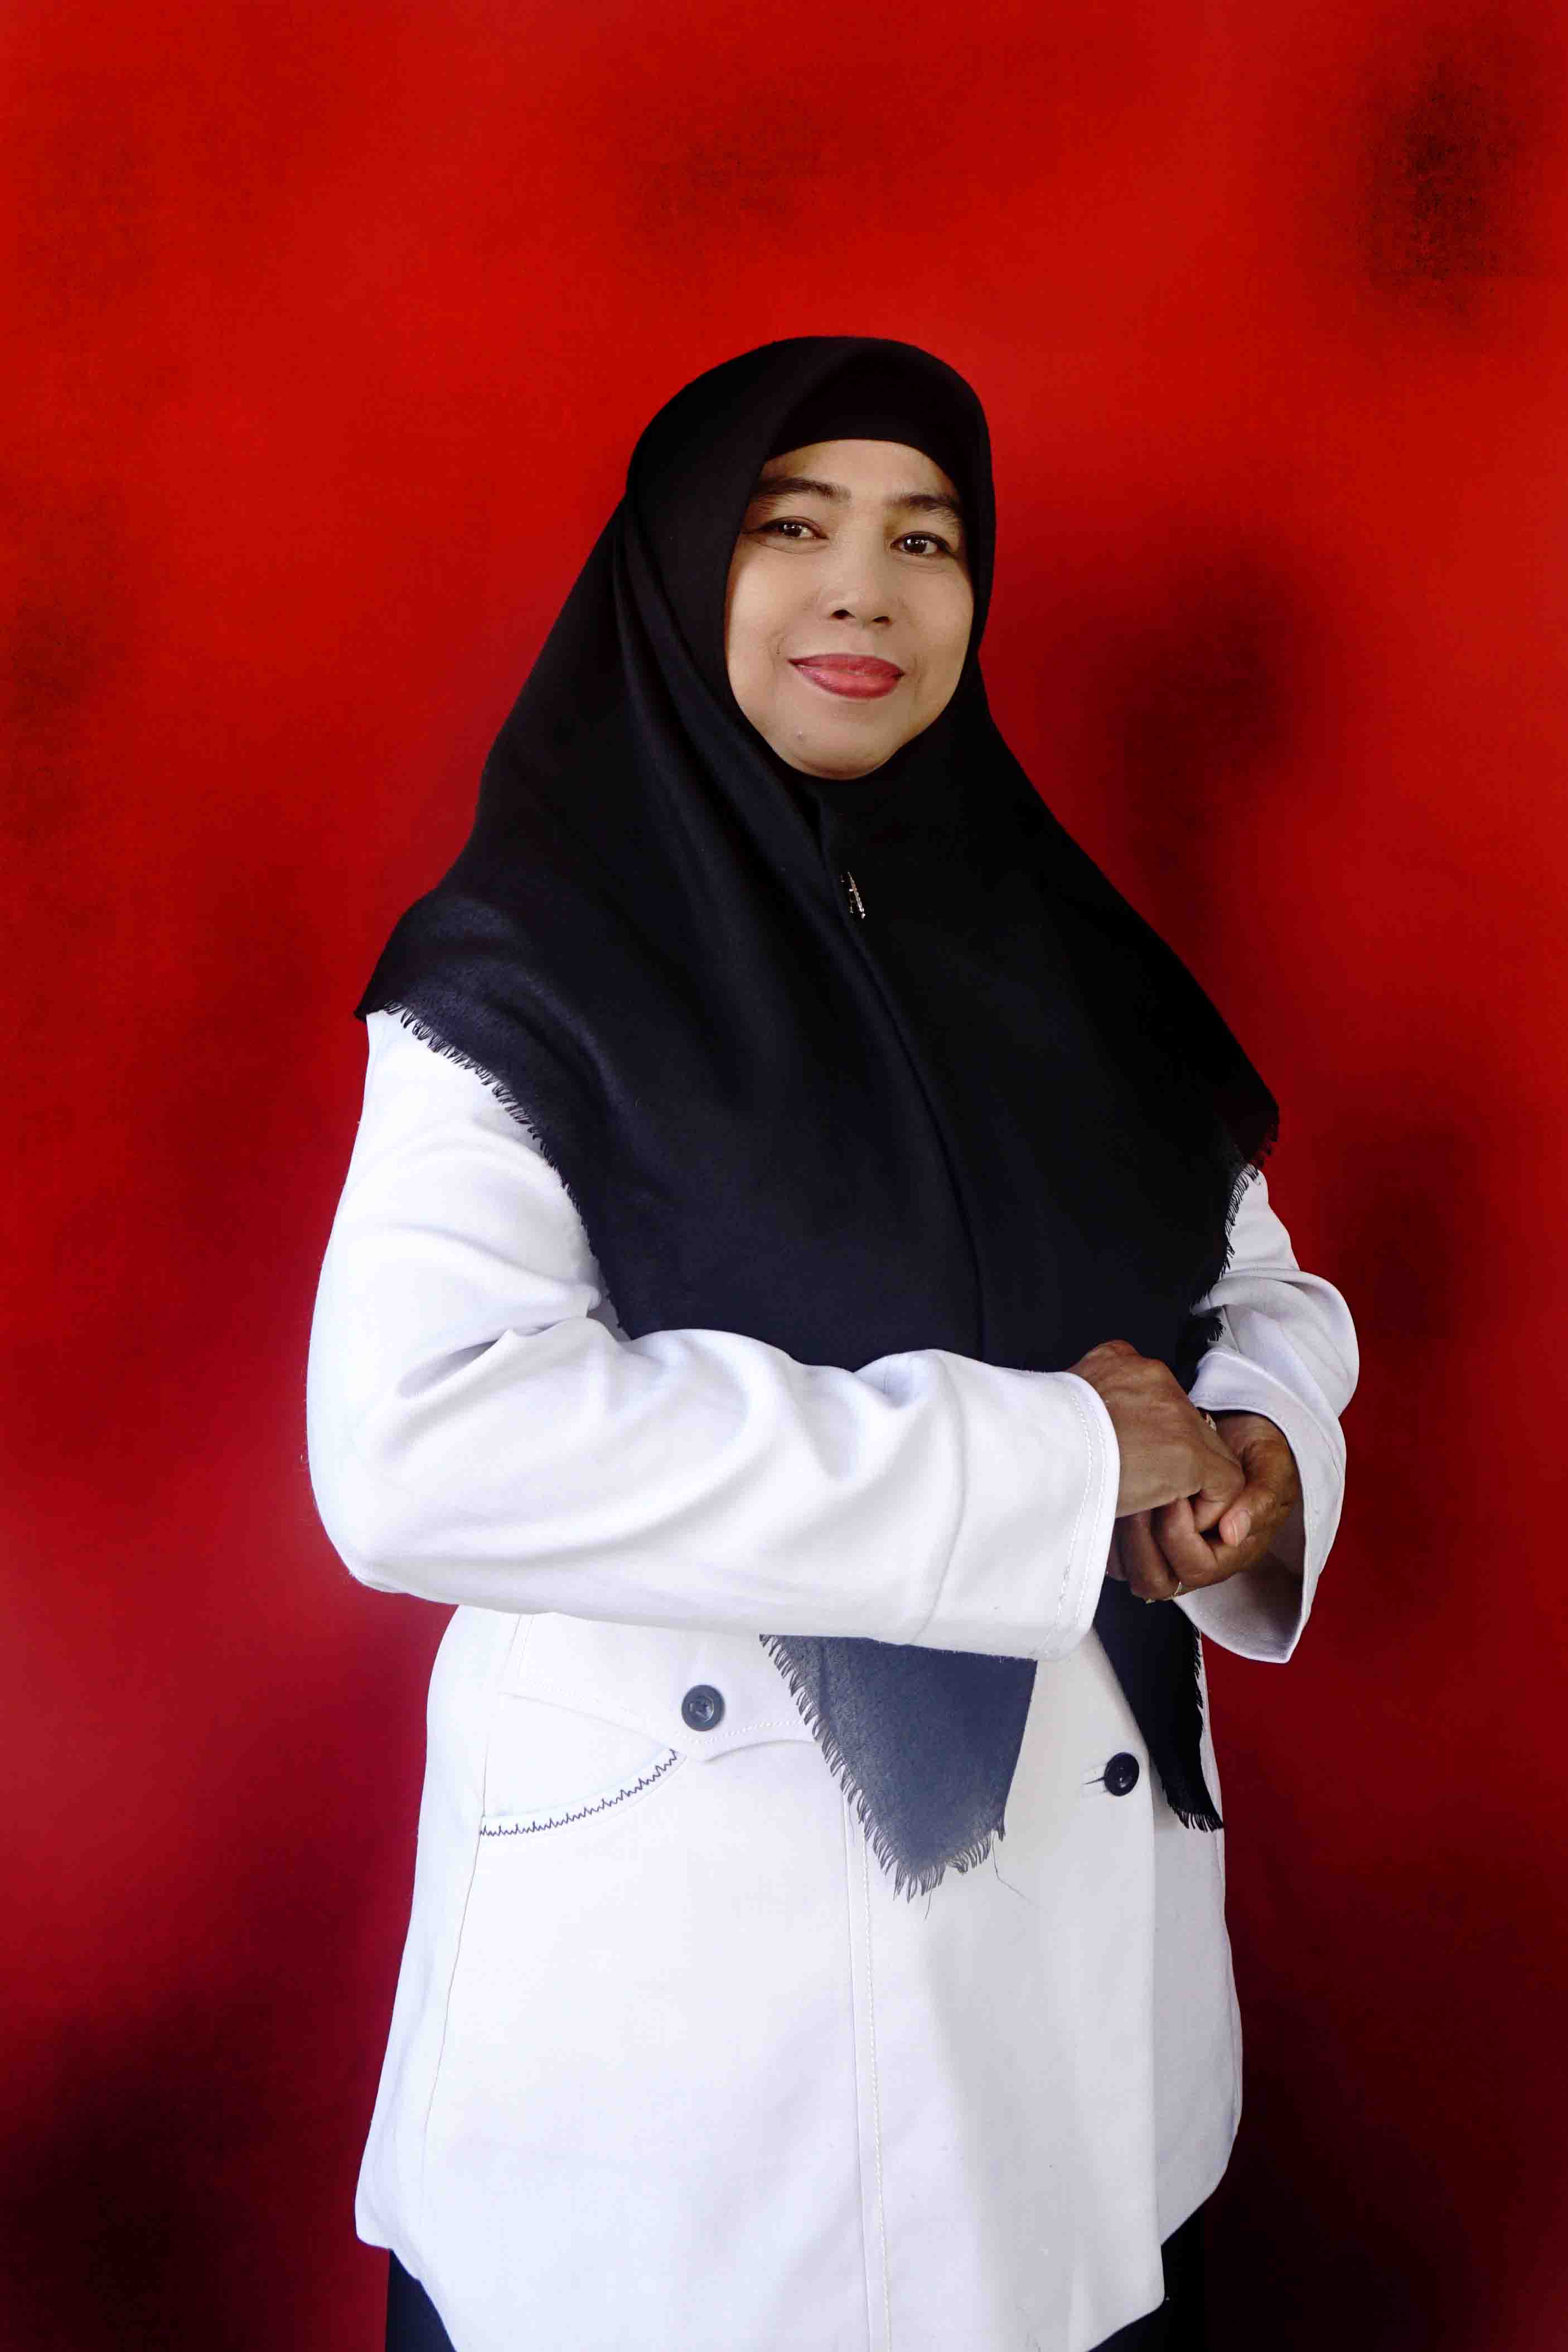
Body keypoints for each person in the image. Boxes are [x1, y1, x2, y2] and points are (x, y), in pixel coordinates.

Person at [307, 335, 1357, 2352]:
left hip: (1073, 2068)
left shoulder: (1060, 947)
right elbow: (421, 1442)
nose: (863, 590)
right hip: (694, 2088)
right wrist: (1053, 1464)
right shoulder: (524, 967)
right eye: (790, 527)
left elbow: (1254, 1286)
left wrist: (1259, 1449)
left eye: (925, 539)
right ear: (679, 565)